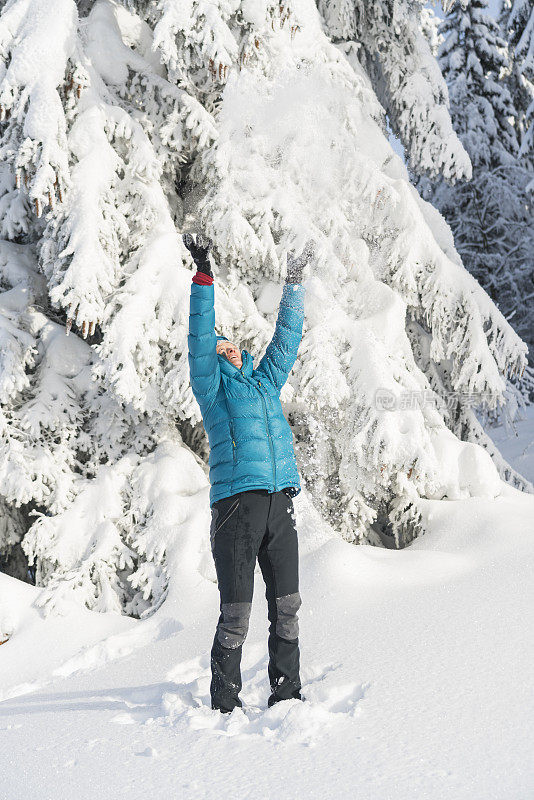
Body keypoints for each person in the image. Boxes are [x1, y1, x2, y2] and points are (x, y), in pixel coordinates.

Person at [184, 232, 312, 714]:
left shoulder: (264, 384)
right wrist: (203, 277)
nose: (228, 348)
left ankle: (287, 693)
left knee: (288, 607)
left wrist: (294, 283)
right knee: (236, 614)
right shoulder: (214, 391)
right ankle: (224, 703)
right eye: (221, 347)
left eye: (231, 343)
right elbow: (199, 340)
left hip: (280, 502)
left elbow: (287, 339)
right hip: (236, 505)